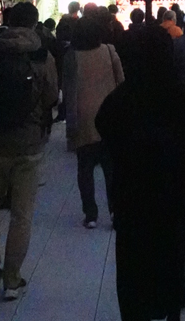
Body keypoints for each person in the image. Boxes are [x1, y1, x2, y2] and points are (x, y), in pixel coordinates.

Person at [96, 25, 185, 321]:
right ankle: (171, 308)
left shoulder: (122, 99)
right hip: (172, 194)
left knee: (133, 265)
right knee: (171, 256)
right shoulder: (181, 96)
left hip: (132, 195)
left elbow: (104, 126)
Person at [0, 0, 58, 302]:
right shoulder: (41, 55)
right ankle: (12, 280)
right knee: (21, 214)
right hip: (29, 143)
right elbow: (51, 96)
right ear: (35, 23)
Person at [63, 15, 124, 227]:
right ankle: (115, 211)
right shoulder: (109, 51)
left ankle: (90, 214)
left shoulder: (72, 56)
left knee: (85, 168)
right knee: (112, 169)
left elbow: (69, 92)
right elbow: (121, 81)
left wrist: (70, 125)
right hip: (110, 116)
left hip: (84, 117)